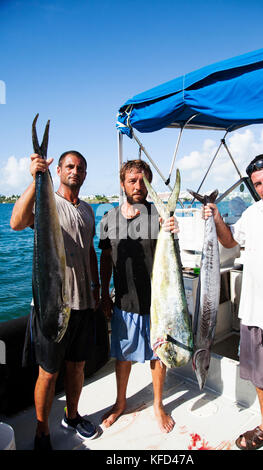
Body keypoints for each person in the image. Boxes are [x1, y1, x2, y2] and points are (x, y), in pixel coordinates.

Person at [203, 153, 263, 450]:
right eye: (258, 183)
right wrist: (217, 217)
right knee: (260, 376)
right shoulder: (254, 213)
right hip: (254, 312)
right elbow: (231, 242)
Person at [10, 151, 100, 450]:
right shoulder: (48, 204)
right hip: (51, 306)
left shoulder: (88, 210)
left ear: (85, 175)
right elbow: (16, 222)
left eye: (81, 168)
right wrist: (37, 178)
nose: (76, 171)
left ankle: (71, 417)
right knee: (48, 372)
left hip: (83, 303)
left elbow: (88, 251)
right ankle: (41, 431)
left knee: (77, 367)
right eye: (70, 166)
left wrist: (97, 287)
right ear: (59, 170)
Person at [99, 159, 177, 433]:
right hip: (123, 301)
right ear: (122, 184)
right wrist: (103, 293)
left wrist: (172, 229)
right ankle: (120, 402)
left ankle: (158, 404)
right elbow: (106, 257)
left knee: (159, 355)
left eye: (143, 181)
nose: (138, 186)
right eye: (132, 181)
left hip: (157, 304)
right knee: (123, 356)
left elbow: (170, 255)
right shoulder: (108, 219)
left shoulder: (159, 216)